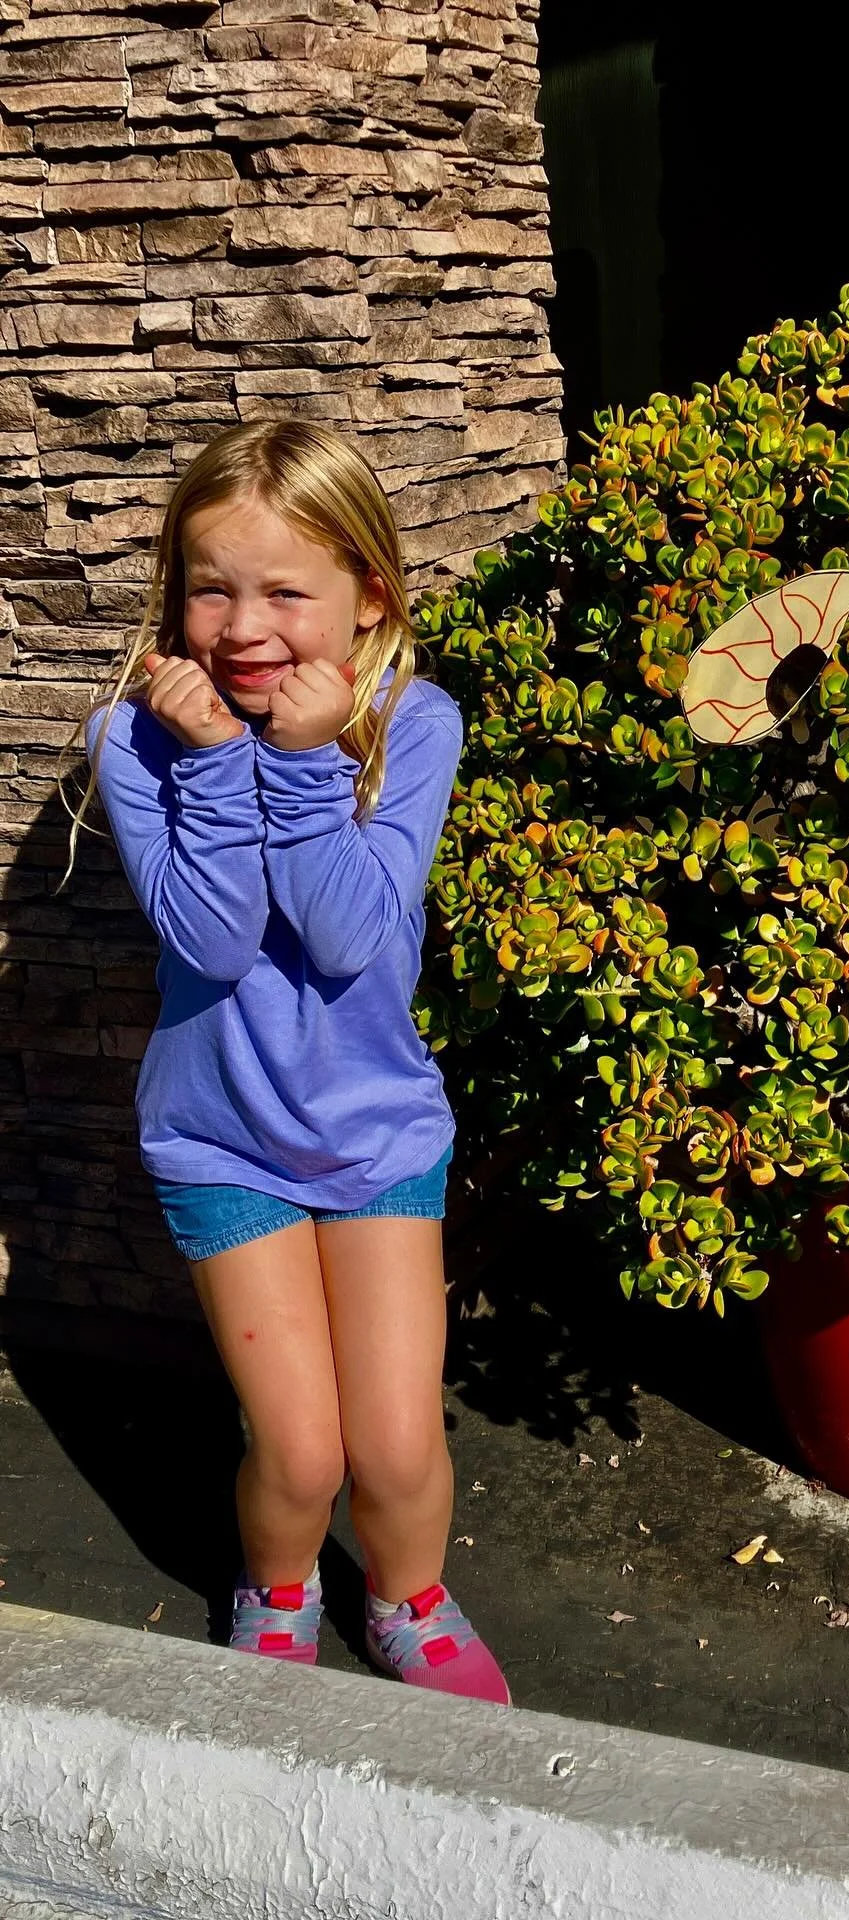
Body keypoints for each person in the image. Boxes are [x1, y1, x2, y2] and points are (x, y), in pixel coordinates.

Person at [63, 420, 508, 1704]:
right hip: (221, 1140)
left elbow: (350, 932)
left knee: (398, 1446)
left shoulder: (412, 724)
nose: (244, 626)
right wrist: (214, 765)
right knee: (304, 1454)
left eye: (286, 592)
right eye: (211, 587)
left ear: (370, 596)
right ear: (173, 593)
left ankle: (408, 1599)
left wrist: (306, 768)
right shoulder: (134, 742)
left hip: (375, 1135)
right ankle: (280, 1589)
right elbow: (211, 935)